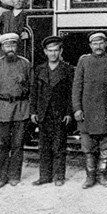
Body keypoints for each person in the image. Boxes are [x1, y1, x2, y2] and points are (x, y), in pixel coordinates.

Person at [73, 31, 107, 188]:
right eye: (95, 44)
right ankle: (90, 176)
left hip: (106, 111)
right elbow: (77, 86)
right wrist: (77, 108)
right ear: (90, 46)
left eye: (101, 43)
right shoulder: (84, 61)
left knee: (106, 148)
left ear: (105, 44)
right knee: (88, 148)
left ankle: (103, 175)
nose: (98, 46)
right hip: (87, 111)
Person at [0, 32, 32, 187]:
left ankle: (14, 176)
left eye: (13, 45)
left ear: (17, 46)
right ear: (2, 47)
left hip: (21, 109)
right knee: (1, 145)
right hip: (2, 109)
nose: (10, 48)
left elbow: (32, 88)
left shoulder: (25, 64)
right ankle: (1, 177)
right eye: (7, 45)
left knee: (18, 145)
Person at [30, 35, 74, 186]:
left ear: (61, 51)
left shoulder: (67, 69)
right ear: (45, 52)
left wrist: (69, 112)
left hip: (60, 113)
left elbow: (70, 93)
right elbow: (34, 92)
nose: (53, 53)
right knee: (44, 147)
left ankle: (59, 176)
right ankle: (44, 176)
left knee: (59, 146)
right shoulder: (39, 69)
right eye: (50, 50)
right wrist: (33, 111)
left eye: (56, 50)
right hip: (43, 113)